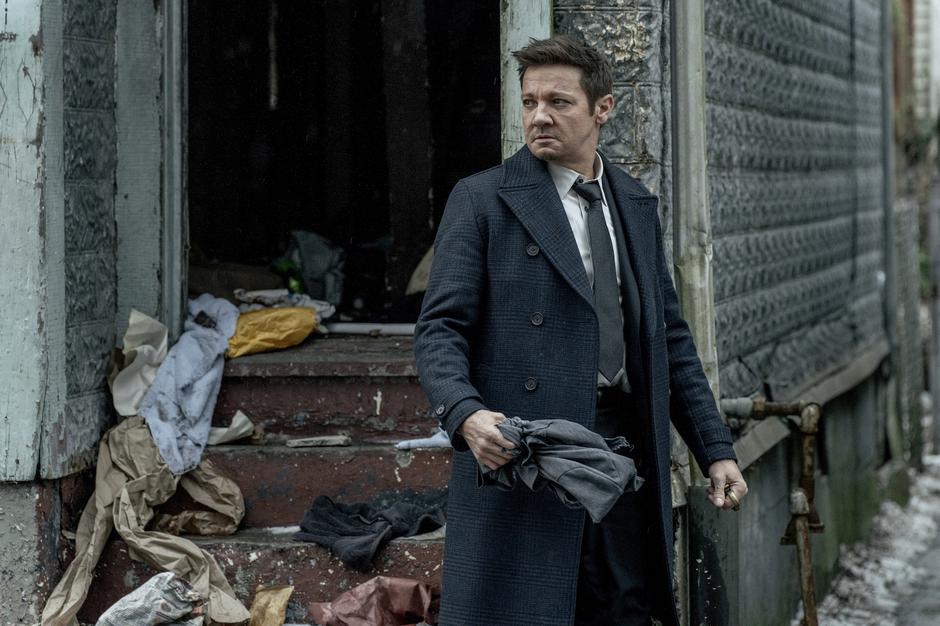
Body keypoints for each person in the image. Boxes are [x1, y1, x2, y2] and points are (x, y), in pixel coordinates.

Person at [414, 35, 747, 626]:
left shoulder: (634, 204)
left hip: (618, 447)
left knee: (624, 609)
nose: (539, 116)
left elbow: (669, 339)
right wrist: (465, 414)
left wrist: (714, 450)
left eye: (559, 102)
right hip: (525, 450)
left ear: (603, 109)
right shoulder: (482, 199)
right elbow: (440, 329)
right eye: (530, 102)